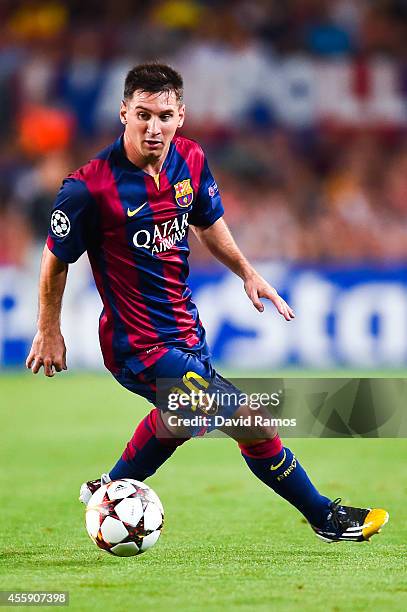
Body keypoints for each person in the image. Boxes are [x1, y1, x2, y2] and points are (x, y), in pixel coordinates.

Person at [26, 63, 388, 543]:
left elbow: (207, 222)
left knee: (181, 419)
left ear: (181, 116)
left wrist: (247, 271)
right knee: (251, 419)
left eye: (164, 115)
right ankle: (326, 516)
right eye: (142, 115)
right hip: (138, 344)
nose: (153, 127)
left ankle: (109, 487)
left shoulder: (190, 159)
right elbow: (55, 261)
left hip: (186, 332)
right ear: (123, 113)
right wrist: (48, 328)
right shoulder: (88, 188)